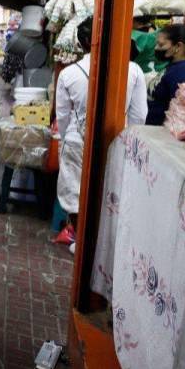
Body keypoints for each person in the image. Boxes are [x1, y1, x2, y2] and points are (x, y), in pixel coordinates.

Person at [55, 19, 147, 238]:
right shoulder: (133, 70)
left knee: (74, 193)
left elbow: (63, 116)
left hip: (76, 140)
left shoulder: (68, 73)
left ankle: (79, 238)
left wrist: (68, 137)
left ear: (83, 42)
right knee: (110, 192)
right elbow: (139, 115)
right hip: (117, 139)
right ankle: (102, 243)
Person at [146, 24, 185, 125]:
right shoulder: (178, 65)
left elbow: (183, 115)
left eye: (161, 45)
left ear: (178, 46)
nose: (156, 48)